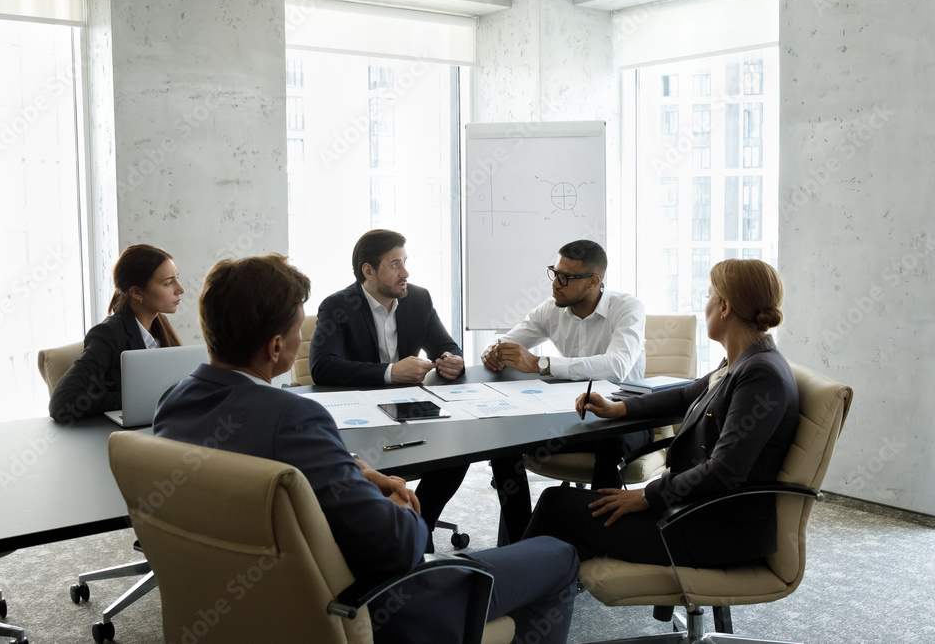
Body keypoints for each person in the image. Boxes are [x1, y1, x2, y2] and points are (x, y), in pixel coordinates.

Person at [154, 254, 579, 644]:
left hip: (253, 603)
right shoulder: (292, 417)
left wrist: (355, 468)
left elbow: (282, 468)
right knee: (558, 554)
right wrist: (404, 507)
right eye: (295, 328)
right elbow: (395, 548)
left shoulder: (175, 402)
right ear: (276, 347)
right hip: (377, 606)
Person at [524, 258, 799, 568]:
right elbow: (684, 396)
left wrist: (644, 496)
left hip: (709, 530)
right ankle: (532, 590)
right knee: (568, 517)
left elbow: (724, 471)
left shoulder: (761, 375)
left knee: (554, 505)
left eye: (709, 296)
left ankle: (506, 598)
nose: (704, 305)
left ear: (724, 306)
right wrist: (619, 408)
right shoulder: (741, 363)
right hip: (691, 510)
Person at [480, 240, 649, 544]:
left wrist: (543, 364)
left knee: (609, 446)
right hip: (573, 418)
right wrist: (493, 351)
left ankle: (597, 545)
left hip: (624, 418)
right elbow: (507, 341)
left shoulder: (628, 308)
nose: (555, 284)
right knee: (502, 446)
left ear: (594, 282)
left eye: (566, 277)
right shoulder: (552, 309)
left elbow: (617, 366)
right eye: (554, 273)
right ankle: (521, 542)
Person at [309, 229, 469, 543]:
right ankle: (399, 530)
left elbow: (446, 345)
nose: (405, 272)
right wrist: (390, 372)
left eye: (405, 262)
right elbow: (322, 366)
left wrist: (453, 360)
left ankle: (420, 524)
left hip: (410, 409)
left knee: (459, 451)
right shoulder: (338, 306)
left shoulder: (418, 298)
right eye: (395, 264)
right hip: (361, 415)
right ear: (368, 271)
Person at [49, 244, 184, 423]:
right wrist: (135, 399)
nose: (180, 289)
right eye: (168, 283)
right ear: (136, 292)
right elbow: (62, 402)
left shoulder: (160, 324)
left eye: (177, 279)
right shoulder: (108, 334)